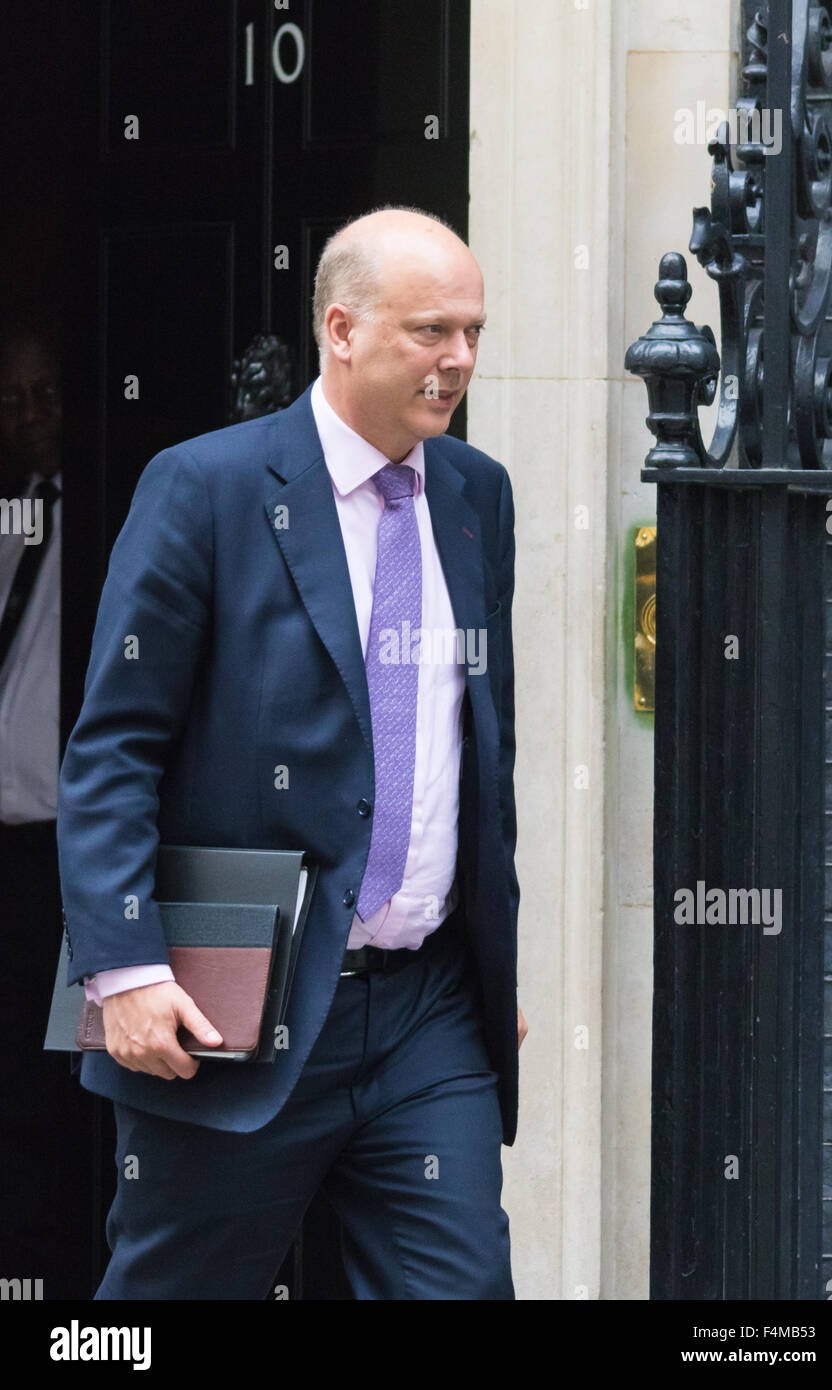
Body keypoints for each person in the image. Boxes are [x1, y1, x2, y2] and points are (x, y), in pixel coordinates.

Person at [57, 206, 525, 1300]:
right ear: (341, 328)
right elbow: (115, 747)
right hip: (237, 1002)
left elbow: (474, 749)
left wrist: (492, 947)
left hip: (425, 1014)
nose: (457, 358)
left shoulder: (473, 495)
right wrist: (122, 968)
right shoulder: (206, 489)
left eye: (472, 331)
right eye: (430, 331)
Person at [0, 315, 91, 1295]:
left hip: (77, 854)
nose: (31, 415)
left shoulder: (113, 518)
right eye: (12, 397)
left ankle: (71, 1273)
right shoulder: (12, 514)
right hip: (9, 851)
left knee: (76, 1080)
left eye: (47, 393)